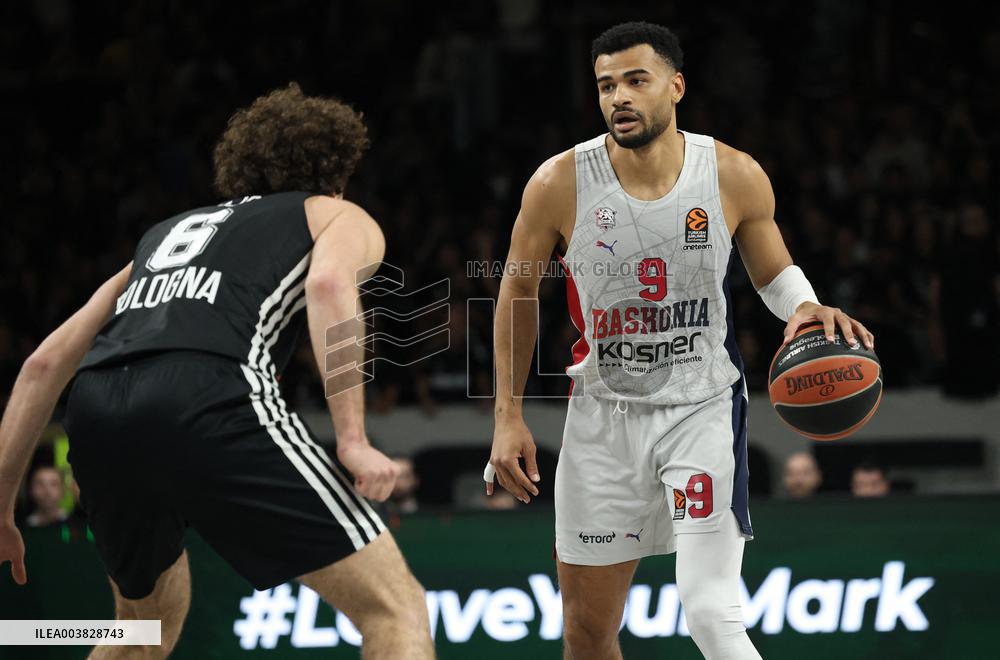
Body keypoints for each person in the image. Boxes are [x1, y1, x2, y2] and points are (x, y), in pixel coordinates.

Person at [0, 83, 434, 660]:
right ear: (338, 170)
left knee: (141, 631)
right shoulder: (336, 213)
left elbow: (42, 364)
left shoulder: (164, 236)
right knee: (395, 608)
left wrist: (2, 504)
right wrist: (352, 440)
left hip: (97, 407)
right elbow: (330, 285)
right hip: (209, 393)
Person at [485, 22, 875, 660]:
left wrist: (804, 306)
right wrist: (507, 414)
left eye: (636, 81)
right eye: (606, 85)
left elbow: (773, 273)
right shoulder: (559, 182)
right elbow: (517, 293)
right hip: (603, 416)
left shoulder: (732, 173)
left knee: (711, 614)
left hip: (701, 408)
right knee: (587, 634)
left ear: (676, 86)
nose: (619, 97)